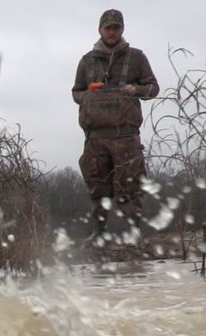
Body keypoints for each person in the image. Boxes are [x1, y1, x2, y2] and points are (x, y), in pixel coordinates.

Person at [71, 9, 159, 244]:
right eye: (108, 27)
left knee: (130, 185)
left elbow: (153, 88)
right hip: (95, 136)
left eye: (116, 27)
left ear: (122, 29)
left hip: (126, 136)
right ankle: (99, 233)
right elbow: (75, 92)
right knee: (97, 187)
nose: (112, 32)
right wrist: (87, 96)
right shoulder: (86, 60)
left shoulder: (137, 57)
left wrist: (135, 90)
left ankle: (134, 232)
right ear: (100, 29)